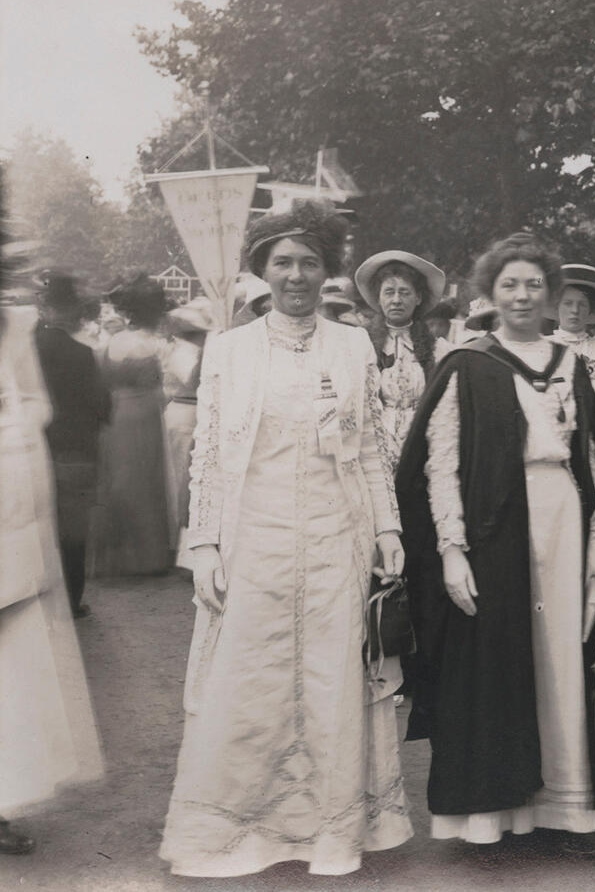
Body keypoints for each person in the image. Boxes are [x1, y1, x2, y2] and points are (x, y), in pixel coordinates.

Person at [159, 201, 412, 877]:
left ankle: (331, 830)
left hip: (338, 533)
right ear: (262, 271)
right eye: (283, 262)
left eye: (309, 262)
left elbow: (369, 451)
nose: (296, 274)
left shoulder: (355, 345)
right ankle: (244, 829)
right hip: (256, 533)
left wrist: (387, 527)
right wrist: (205, 544)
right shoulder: (229, 348)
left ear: (327, 270)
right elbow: (208, 453)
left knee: (332, 676)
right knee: (249, 676)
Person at [396, 232, 595, 844]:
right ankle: (493, 816)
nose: (522, 296)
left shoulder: (572, 364)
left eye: (534, 285)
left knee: (562, 660)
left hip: (563, 521)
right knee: (494, 664)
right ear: (491, 293)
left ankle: (563, 809)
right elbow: (439, 463)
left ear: (551, 294)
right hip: (494, 530)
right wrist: (451, 549)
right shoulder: (468, 362)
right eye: (509, 284)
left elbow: (590, 460)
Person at [1, 295, 103, 854]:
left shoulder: (11, 327)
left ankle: (2, 802)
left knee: (8, 661)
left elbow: (37, 403)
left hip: (7, 502)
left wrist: (10, 416)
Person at [34, 274, 111, 617]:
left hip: (36, 453)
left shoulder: (24, 352)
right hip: (76, 454)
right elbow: (102, 407)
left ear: (44, 308)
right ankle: (70, 601)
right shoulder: (82, 354)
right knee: (73, 535)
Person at [94, 275, 172, 576]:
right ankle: (147, 555)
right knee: (146, 480)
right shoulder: (153, 344)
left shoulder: (113, 340)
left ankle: (117, 554)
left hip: (117, 414)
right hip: (146, 413)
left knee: (120, 479)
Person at [355, 250, 452, 473]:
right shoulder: (361, 344)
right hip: (373, 449)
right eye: (389, 292)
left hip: (422, 449)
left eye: (405, 292)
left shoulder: (437, 349)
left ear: (418, 298)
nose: (396, 300)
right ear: (379, 297)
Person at [160, 297, 213, 562]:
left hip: (194, 413)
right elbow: (193, 380)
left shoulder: (195, 349)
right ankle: (173, 540)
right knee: (181, 475)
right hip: (183, 412)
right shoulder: (182, 351)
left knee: (188, 477)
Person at [547, 262, 595, 410]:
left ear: (591, 309)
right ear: (556, 305)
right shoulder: (541, 348)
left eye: (582, 304)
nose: (575, 310)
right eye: (567, 303)